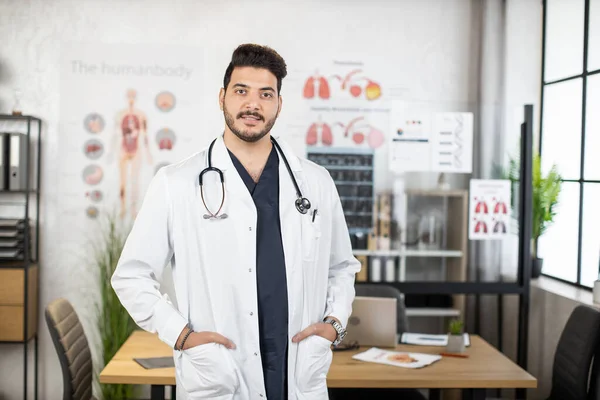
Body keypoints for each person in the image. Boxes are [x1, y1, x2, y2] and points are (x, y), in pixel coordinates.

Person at [111, 43, 360, 400]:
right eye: (241, 91)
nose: (252, 105)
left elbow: (342, 266)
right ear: (222, 97)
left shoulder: (315, 183)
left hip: (298, 371)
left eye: (265, 94)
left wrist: (334, 325)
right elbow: (131, 276)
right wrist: (182, 336)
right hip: (218, 374)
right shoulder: (176, 183)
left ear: (278, 104)